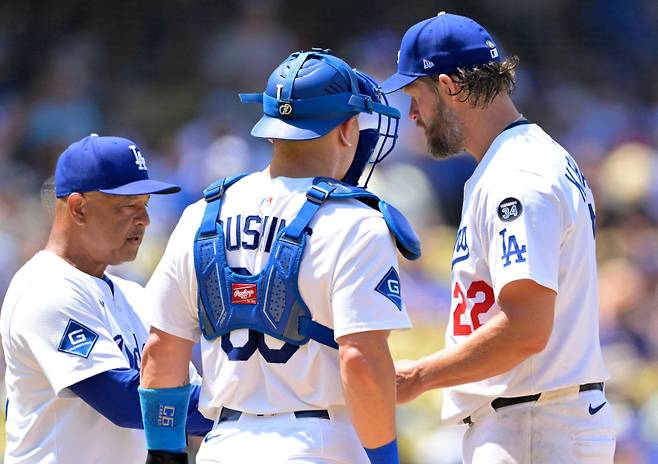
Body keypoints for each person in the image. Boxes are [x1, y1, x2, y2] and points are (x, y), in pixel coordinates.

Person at [138, 49, 420, 464]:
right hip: (319, 445)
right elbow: (360, 361)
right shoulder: (356, 223)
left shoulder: (201, 214)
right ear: (345, 130)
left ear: (271, 130)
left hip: (224, 446)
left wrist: (164, 456)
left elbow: (161, 350)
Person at [380, 12, 615, 464]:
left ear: (449, 86)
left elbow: (525, 329)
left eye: (415, 95)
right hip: (535, 418)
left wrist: (420, 377)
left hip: (535, 423)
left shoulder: (517, 175)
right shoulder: (517, 160)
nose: (411, 113)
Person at [0, 134, 212, 464]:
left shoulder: (135, 297)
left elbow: (187, 391)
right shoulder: (42, 289)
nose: (144, 220)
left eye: (145, 205)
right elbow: (123, 401)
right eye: (127, 206)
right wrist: (246, 404)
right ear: (78, 208)